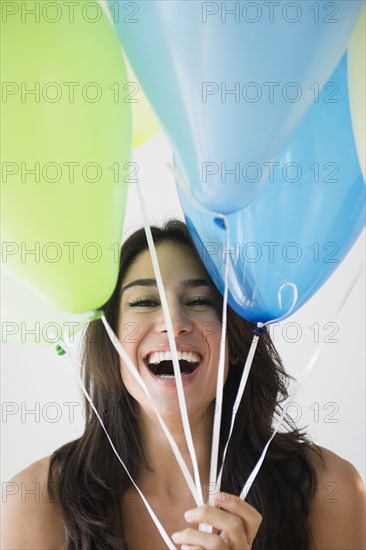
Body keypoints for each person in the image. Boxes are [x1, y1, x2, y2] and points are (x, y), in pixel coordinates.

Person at [2, 220, 365, 550]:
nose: (173, 322)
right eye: (144, 301)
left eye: (199, 301)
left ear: (236, 341)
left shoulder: (328, 492)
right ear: (110, 344)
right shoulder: (35, 501)